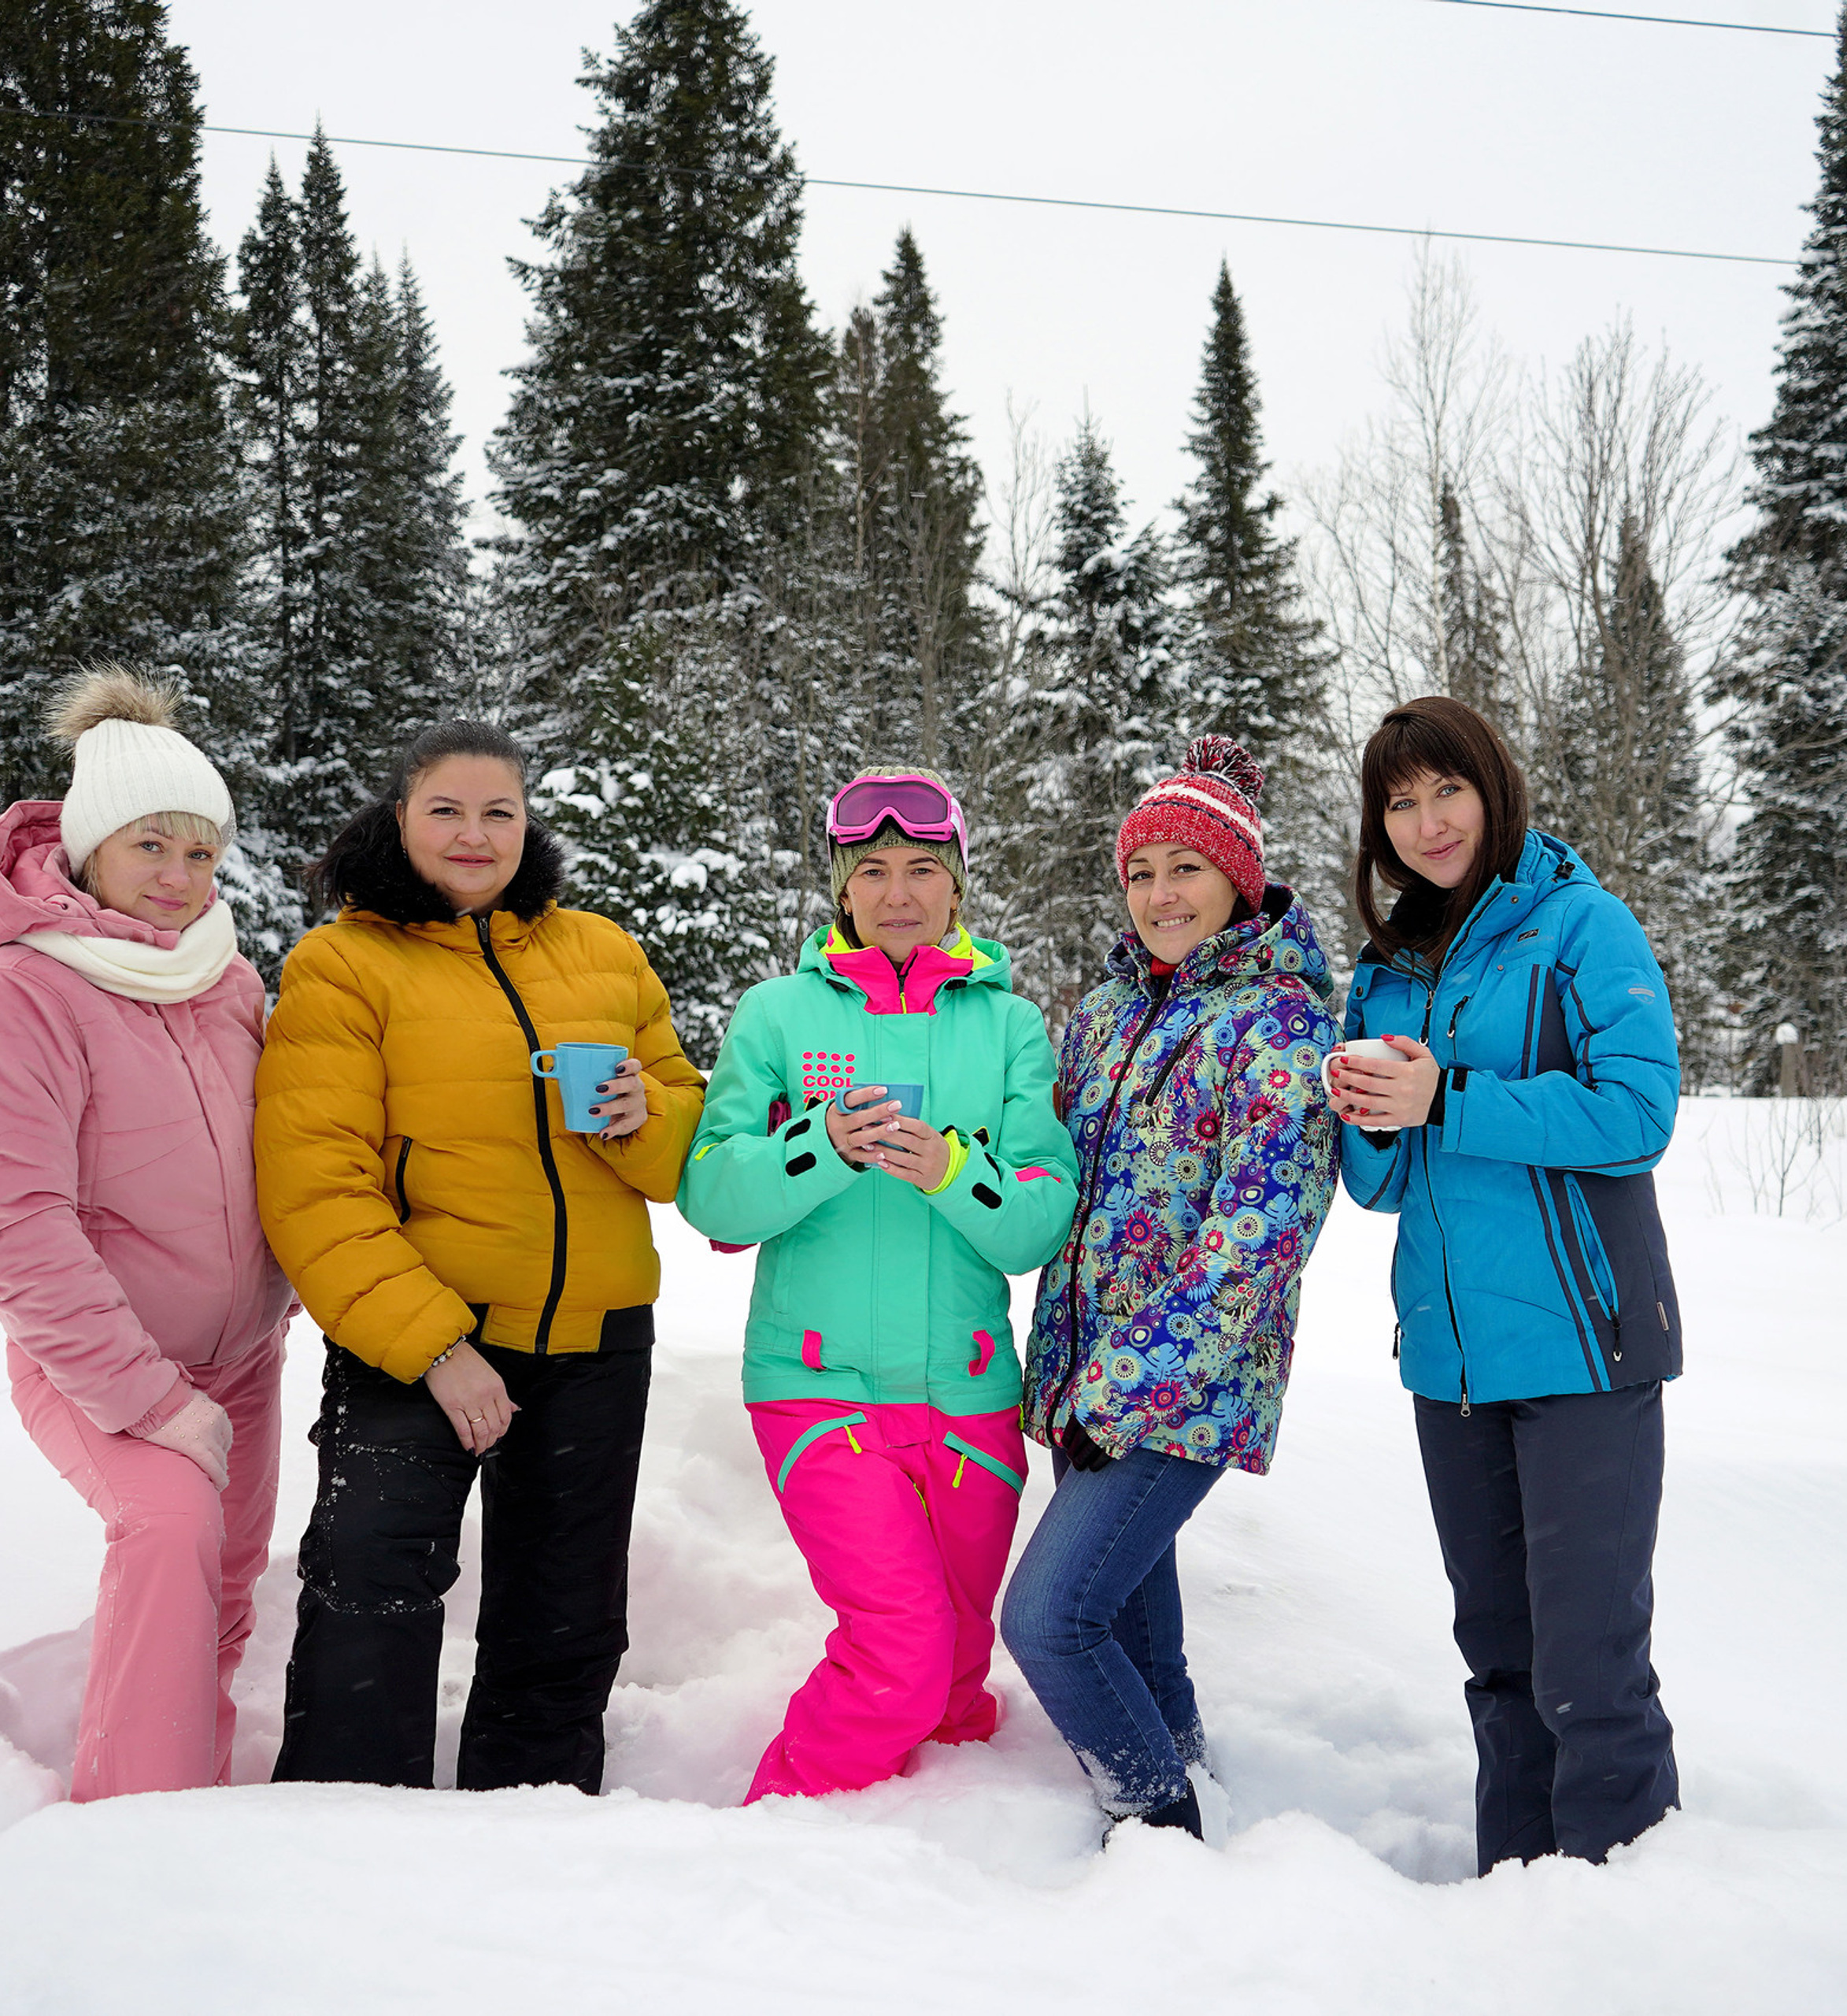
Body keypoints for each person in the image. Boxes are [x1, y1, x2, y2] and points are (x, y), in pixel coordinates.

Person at [255, 719, 705, 1793]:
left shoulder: (603, 950)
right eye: (446, 810)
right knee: (369, 1589)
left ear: (527, 822)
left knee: (565, 1620)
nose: (474, 834)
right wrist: (435, 1349)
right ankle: (342, 1829)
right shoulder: (343, 964)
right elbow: (317, 1187)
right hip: (419, 1341)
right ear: (400, 817)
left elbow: (688, 1127)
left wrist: (646, 1116)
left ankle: (534, 1837)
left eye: (498, 811)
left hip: (596, 1341)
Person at [1328, 695, 1682, 1874]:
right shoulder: (1387, 971)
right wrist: (1372, 1115)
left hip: (1584, 1347)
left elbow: (1637, 1115)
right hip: (1451, 1362)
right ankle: (1516, 1897)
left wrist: (1453, 1098)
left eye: (1449, 791)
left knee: (1590, 1668)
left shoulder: (1581, 925)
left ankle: (1621, 1914)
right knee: (1499, 1659)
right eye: (1401, 803)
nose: (1428, 822)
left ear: (1494, 790)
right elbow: (1380, 1187)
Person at [678, 766, 1077, 1802]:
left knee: (953, 1675)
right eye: (873, 871)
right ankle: (779, 1829)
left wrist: (952, 1169)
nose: (898, 893)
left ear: (957, 886)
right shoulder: (776, 1016)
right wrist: (819, 1145)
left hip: (968, 1397)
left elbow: (1039, 1222)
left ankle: (939, 1848)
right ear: (842, 889)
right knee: (900, 1652)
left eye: (922, 870)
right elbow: (713, 1198)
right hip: (819, 1389)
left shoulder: (1009, 1025)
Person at [1003, 736, 1339, 1840]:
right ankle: (1196, 1794)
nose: (1160, 895)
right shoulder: (1107, 1012)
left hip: (1177, 1389)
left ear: (1237, 880)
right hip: (1084, 1375)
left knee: (1050, 1622)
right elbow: (1049, 1171)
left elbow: (1259, 1239)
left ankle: (1156, 1825)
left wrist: (1120, 1389)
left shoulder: (1279, 1021)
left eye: (1185, 868)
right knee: (1136, 1633)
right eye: (1140, 872)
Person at [0, 665, 294, 1800]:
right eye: (150, 848)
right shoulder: (32, 991)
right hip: (97, 1359)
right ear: (88, 850)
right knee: (169, 1530)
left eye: (201, 853)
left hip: (244, 1359)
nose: (179, 878)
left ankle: (194, 1806)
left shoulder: (228, 980)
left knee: (221, 1590)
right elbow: (20, 1220)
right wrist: (150, 1400)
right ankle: (133, 1831)